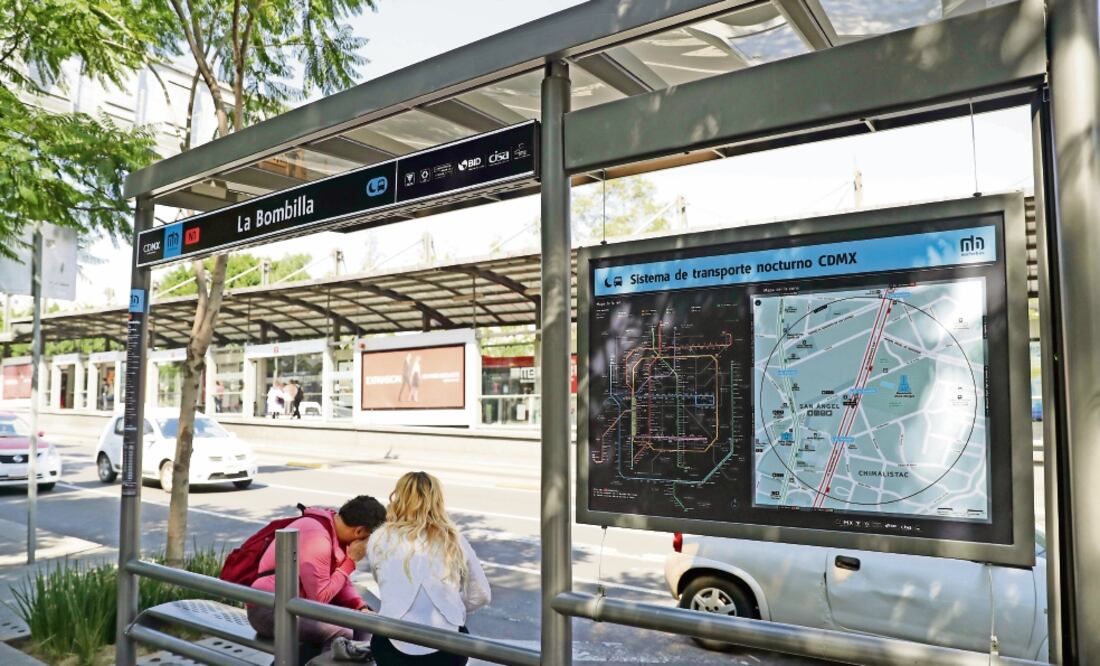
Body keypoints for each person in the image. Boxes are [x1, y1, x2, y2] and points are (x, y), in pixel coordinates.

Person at [367, 472, 491, 665]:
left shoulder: (380, 537)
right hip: (447, 649)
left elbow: (383, 583)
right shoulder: (454, 538)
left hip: (391, 644)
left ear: (398, 498)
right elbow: (481, 594)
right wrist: (449, 606)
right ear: (438, 501)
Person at [248, 496, 387, 658]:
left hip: (295, 606)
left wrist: (359, 607)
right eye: (370, 539)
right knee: (342, 633)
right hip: (269, 609)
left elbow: (338, 580)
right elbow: (320, 598)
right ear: (359, 531)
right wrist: (350, 561)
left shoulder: (332, 527)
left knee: (365, 623)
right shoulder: (318, 539)